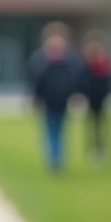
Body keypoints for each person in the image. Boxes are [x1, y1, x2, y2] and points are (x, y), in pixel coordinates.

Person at [26, 22, 81, 173]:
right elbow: (35, 80)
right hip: (50, 101)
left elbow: (75, 80)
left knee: (58, 132)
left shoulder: (68, 60)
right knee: (52, 132)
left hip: (61, 101)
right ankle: (55, 160)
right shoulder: (42, 60)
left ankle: (57, 160)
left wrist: (75, 96)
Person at [79, 31, 111, 164]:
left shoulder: (103, 64)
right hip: (91, 99)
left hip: (101, 99)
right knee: (92, 126)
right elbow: (82, 81)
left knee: (101, 125)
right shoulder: (87, 65)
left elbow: (109, 81)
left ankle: (101, 150)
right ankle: (93, 150)